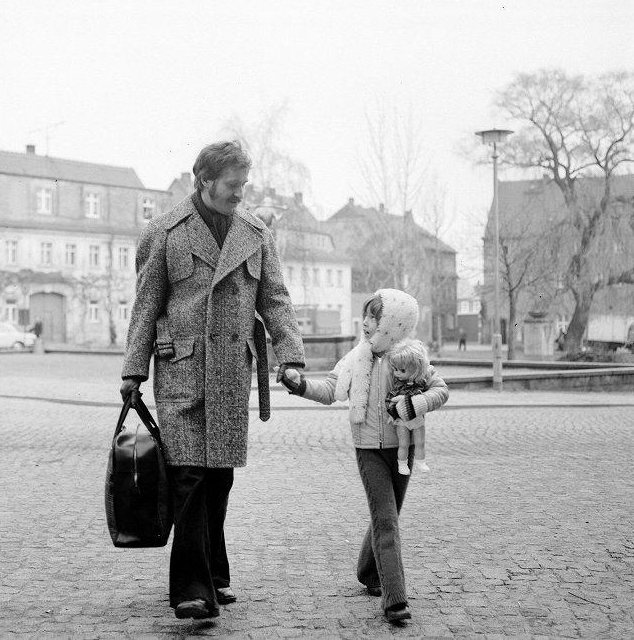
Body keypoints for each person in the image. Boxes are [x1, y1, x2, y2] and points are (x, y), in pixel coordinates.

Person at [120, 140, 305, 621]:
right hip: (180, 369)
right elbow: (146, 306)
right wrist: (132, 371)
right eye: (232, 185)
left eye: (245, 184)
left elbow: (276, 301)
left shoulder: (256, 233)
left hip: (229, 373)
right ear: (203, 180)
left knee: (218, 478)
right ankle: (192, 590)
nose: (241, 193)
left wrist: (290, 357)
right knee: (189, 477)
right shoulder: (163, 233)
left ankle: (215, 573)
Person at [280, 289, 449, 624]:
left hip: (403, 450)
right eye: (367, 316)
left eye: (375, 317)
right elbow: (330, 391)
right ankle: (395, 600)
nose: (367, 323)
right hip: (369, 451)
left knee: (386, 515)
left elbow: (440, 389)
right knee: (386, 520)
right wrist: (299, 385)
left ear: (392, 323)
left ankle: (368, 570)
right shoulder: (355, 358)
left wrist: (416, 403)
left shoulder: (409, 357)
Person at [385, 338, 433, 476]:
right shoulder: (397, 385)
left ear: (416, 369)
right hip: (401, 419)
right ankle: (402, 464)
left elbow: (429, 395)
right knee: (403, 443)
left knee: (420, 441)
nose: (397, 373)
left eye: (402, 370)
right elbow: (389, 400)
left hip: (417, 418)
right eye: (395, 369)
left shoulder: (422, 381)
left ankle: (420, 461)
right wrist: (392, 414)